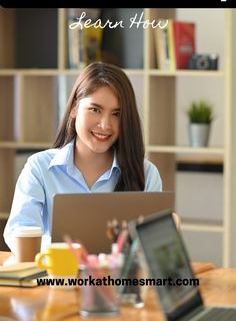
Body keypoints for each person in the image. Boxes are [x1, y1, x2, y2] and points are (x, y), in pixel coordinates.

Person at [4, 62, 162, 252]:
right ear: (73, 109)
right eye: (95, 109)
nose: (105, 125)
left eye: (116, 114)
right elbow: (19, 230)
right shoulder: (39, 167)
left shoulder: (146, 173)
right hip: (56, 277)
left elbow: (154, 250)